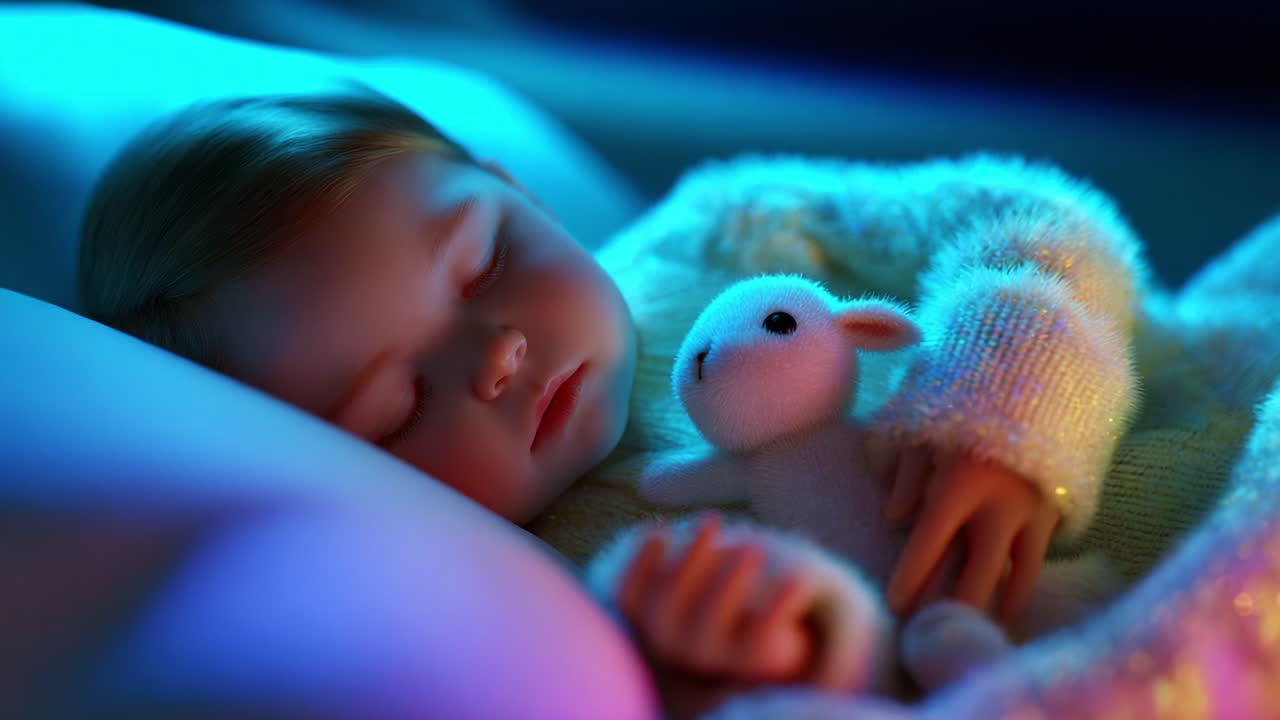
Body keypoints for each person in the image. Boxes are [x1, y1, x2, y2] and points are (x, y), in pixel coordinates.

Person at [77, 86, 1279, 716]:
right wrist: (778, 646)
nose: (492, 359)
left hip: (1228, 390)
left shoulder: (724, 228)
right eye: (394, 409)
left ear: (508, 186)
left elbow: (1021, 215)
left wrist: (1005, 406)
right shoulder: (549, 598)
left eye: (484, 263)